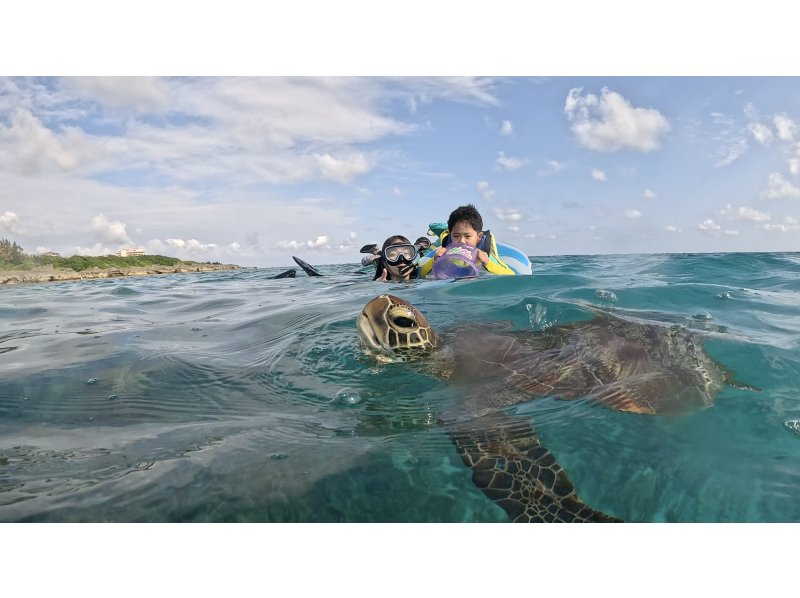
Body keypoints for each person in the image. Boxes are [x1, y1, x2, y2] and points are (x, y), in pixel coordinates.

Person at [418, 204, 515, 277]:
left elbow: (511, 275)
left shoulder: (483, 253)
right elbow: (421, 274)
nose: (462, 241)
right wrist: (434, 259)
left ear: (479, 236)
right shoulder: (446, 248)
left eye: (467, 236)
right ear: (451, 234)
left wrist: (488, 263)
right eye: (456, 236)